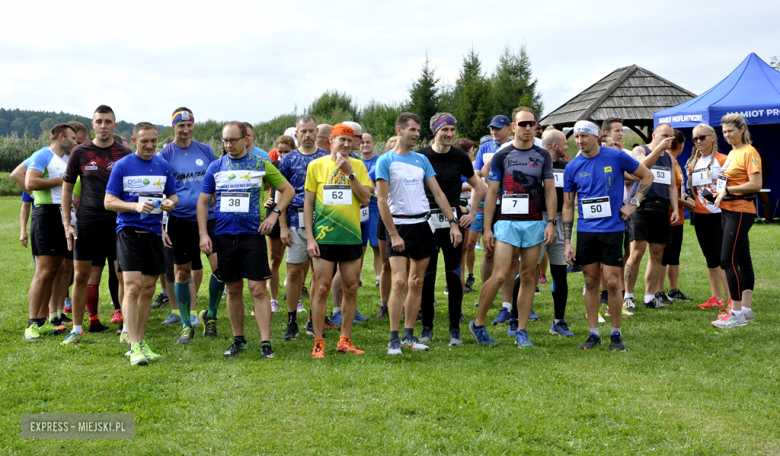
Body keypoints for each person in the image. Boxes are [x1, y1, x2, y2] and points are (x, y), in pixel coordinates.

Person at [198, 121, 294, 358]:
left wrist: (274, 214)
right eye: (225, 140)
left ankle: (265, 343)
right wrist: (203, 234)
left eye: (233, 140)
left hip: (252, 235)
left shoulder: (260, 163)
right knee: (232, 290)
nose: (228, 145)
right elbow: (202, 202)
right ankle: (238, 340)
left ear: (246, 139)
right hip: (224, 235)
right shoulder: (216, 167)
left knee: (258, 289)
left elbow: (287, 190)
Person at [562, 119, 653, 352]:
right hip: (586, 232)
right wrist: (568, 241)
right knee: (591, 281)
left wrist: (633, 203)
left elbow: (647, 176)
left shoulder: (616, 156)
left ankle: (616, 333)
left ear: (596, 136)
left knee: (613, 282)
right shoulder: (572, 166)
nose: (580, 141)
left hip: (612, 230)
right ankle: (593, 333)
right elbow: (568, 206)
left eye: (584, 136)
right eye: (577, 137)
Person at [469, 107, 556, 348]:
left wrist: (551, 222)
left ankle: (521, 330)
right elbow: (492, 192)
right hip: (506, 222)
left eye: (532, 124)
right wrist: (487, 229)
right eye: (523, 124)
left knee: (528, 276)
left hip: (534, 222)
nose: (528, 128)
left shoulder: (543, 156)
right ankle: (478, 324)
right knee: (499, 275)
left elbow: (549, 191)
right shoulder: (501, 155)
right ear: (514, 126)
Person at [376, 113, 461, 355]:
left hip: (424, 226)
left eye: (418, 130)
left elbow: (439, 194)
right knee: (400, 282)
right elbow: (382, 201)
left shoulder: (422, 160)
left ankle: (409, 337)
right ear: (399, 130)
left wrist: (453, 223)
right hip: (399, 227)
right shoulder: (386, 160)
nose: (415, 134)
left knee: (417, 282)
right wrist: (393, 234)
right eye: (411, 129)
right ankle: (393, 340)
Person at [105, 122, 178, 365]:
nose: (149, 145)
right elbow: (108, 201)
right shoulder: (123, 166)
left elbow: (173, 195)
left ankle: (141, 340)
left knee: (148, 289)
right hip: (129, 231)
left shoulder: (163, 165)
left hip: (153, 234)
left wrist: (170, 203)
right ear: (134, 141)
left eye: (153, 141)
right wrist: (134, 206)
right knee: (133, 286)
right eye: (144, 140)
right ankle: (133, 344)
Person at [61, 106, 132, 345]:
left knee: (122, 275)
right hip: (88, 222)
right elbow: (67, 188)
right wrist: (66, 223)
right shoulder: (80, 152)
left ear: (114, 125)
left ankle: (125, 327)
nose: (103, 125)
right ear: (93, 124)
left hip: (118, 222)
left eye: (108, 121)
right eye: (99, 121)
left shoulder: (124, 153)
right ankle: (78, 328)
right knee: (81, 275)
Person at [304, 124, 372, 357]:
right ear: (330, 141)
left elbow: (365, 199)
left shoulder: (359, 166)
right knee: (321, 288)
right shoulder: (316, 165)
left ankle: (344, 339)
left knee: (351, 288)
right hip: (324, 237)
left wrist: (350, 173)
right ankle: (319, 340)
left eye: (349, 140)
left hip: (351, 235)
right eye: (341, 139)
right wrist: (310, 238)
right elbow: (308, 203)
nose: (345, 144)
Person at [418, 113, 486, 346]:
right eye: (444, 129)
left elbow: (479, 187)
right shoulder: (420, 156)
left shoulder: (460, 157)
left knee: (454, 275)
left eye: (452, 130)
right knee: (426, 276)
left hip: (453, 224)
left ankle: (454, 329)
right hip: (425, 222)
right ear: (434, 130)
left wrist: (473, 213)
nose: (449, 134)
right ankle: (427, 327)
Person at [157, 108, 221, 342]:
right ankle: (187, 323)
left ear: (194, 125)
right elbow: (158, 190)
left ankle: (210, 315)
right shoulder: (164, 154)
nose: (185, 129)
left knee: (219, 268)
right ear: (173, 126)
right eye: (180, 125)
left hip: (211, 218)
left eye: (189, 125)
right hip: (179, 220)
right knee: (182, 272)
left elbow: (217, 179)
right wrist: (161, 225)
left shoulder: (205, 150)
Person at [277, 115, 329, 342]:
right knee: (295, 272)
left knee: (320, 274)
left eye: (311, 131)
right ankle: (291, 320)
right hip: (295, 222)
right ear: (296, 134)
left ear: (316, 132)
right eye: (303, 131)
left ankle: (314, 318)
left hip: (323, 223)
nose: (307, 135)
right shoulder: (288, 160)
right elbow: (281, 193)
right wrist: (282, 226)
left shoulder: (327, 158)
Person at [23, 124, 77, 342]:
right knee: (43, 273)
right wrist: (64, 180)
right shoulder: (43, 154)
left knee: (54, 271)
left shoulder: (67, 159)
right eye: (73, 138)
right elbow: (30, 181)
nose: (75, 142)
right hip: (46, 215)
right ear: (61, 137)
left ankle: (43, 321)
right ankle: (31, 325)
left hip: (63, 215)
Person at [711, 113, 762, 328]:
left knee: (727, 260)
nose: (727, 135)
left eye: (730, 130)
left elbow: (756, 184)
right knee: (742, 258)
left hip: (741, 210)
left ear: (742, 129)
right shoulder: (732, 153)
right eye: (724, 132)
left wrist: (728, 190)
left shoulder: (750, 152)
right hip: (728, 209)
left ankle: (736, 313)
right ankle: (747, 310)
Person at [624, 123, 680, 310]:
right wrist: (657, 149)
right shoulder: (640, 149)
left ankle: (649, 297)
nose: (668, 139)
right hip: (640, 205)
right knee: (637, 252)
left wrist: (676, 209)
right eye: (665, 135)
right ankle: (628, 296)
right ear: (654, 134)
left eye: (671, 137)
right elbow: (639, 168)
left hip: (660, 207)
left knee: (657, 254)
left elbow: (672, 186)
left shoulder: (670, 159)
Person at [471, 115, 517, 321]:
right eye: (492, 129)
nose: (494, 132)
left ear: (509, 129)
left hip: (511, 204)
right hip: (491, 203)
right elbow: (477, 173)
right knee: (488, 251)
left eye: (498, 128)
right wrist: (491, 190)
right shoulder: (485, 147)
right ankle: (485, 294)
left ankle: (508, 301)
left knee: (510, 253)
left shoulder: (517, 146)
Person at [531, 128, 574, 337]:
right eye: (565, 143)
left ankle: (559, 321)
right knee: (527, 272)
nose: (568, 147)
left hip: (559, 220)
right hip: (536, 220)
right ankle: (514, 318)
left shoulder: (567, 167)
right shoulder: (533, 163)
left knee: (560, 271)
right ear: (555, 145)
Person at [684, 123, 731, 309]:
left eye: (702, 137)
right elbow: (695, 190)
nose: (698, 141)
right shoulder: (693, 163)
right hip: (701, 216)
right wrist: (703, 203)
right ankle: (716, 297)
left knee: (723, 259)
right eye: (695, 139)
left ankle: (731, 300)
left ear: (712, 137)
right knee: (710, 258)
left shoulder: (723, 159)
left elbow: (728, 187)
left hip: (721, 215)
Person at [658, 130, 694, 303]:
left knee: (674, 254)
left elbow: (679, 189)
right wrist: (685, 203)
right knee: (662, 255)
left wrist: (686, 198)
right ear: (680, 146)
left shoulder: (677, 163)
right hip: (667, 213)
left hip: (677, 215)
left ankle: (673, 290)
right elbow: (666, 190)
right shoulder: (666, 161)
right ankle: (658, 291)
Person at [264, 135, 295, 312]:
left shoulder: (300, 166)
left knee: (296, 262)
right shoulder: (273, 167)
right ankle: (273, 299)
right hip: (274, 215)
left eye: (287, 152)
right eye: (280, 152)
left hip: (295, 215)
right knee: (275, 259)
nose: (283, 155)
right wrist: (264, 202)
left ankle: (295, 298)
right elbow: (260, 188)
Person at [373, 136, 397, 318]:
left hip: (407, 219)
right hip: (385, 218)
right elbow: (368, 184)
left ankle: (404, 303)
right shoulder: (382, 164)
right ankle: (383, 304)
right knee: (386, 264)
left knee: (407, 266)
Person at [358, 132, 382, 289]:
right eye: (362, 142)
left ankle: (380, 277)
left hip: (375, 210)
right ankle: (356, 277)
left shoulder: (380, 161)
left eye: (368, 142)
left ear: (374, 144)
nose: (365, 144)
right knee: (358, 247)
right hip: (357, 210)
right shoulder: (353, 161)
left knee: (377, 246)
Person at [454, 138, 478, 292]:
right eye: (472, 151)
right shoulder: (459, 165)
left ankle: (462, 282)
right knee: (457, 250)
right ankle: (454, 283)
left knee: (464, 248)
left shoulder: (468, 166)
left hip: (465, 209)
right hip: (457, 209)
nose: (473, 154)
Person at [754, 144, 773, 222]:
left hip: (761, 183)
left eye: (756, 148)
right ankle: (749, 218)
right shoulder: (747, 157)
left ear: (759, 149)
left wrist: (761, 175)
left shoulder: (763, 157)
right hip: (748, 184)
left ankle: (768, 218)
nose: (755, 150)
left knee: (766, 201)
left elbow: (768, 168)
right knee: (747, 200)